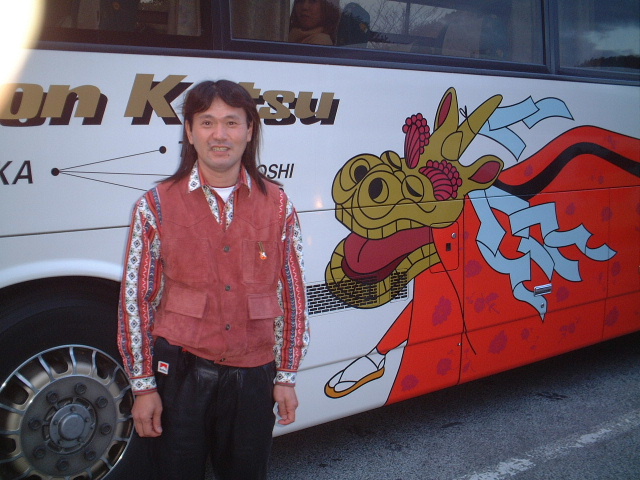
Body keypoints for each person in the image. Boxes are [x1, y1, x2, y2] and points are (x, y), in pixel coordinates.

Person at [117, 80, 309, 480]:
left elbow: (293, 295)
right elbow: (135, 300)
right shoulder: (154, 206)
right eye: (207, 122)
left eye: (231, 122)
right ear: (189, 132)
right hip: (180, 375)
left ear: (249, 131)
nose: (219, 134)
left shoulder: (279, 206)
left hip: (254, 376)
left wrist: (286, 376)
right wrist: (144, 386)